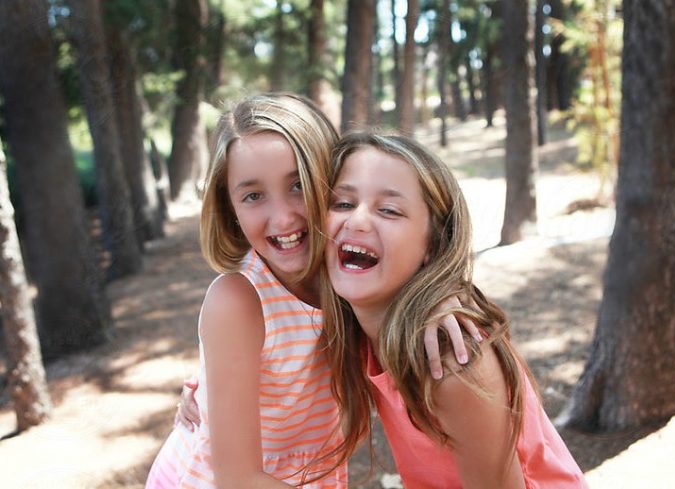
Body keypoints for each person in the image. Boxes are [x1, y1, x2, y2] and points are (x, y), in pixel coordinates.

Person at [149, 94, 479, 488]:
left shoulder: (352, 276)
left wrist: (439, 297)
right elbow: (238, 479)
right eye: (253, 195)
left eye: (298, 185)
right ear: (230, 209)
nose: (284, 216)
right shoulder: (238, 299)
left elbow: (416, 267)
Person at [315, 132, 589, 488]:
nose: (358, 221)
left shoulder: (453, 359)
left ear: (433, 244)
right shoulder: (357, 331)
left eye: (389, 210)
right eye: (343, 203)